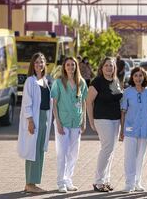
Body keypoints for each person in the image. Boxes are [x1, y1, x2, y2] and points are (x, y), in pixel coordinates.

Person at [51, 57, 88, 193]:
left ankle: (68, 180)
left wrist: (84, 121)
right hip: (63, 123)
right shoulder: (59, 83)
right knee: (62, 153)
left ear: (76, 67)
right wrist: (58, 123)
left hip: (76, 123)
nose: (71, 67)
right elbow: (54, 104)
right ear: (64, 67)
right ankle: (61, 182)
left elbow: (83, 103)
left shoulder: (81, 82)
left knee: (73, 154)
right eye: (68, 65)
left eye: (73, 65)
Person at [17, 52, 53, 193]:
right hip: (34, 119)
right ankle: (29, 184)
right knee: (32, 151)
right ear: (33, 64)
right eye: (37, 62)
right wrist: (30, 120)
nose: (39, 64)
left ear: (45, 64)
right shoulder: (30, 81)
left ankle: (34, 182)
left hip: (44, 118)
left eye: (42, 62)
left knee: (39, 151)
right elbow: (26, 102)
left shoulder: (46, 81)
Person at [86, 57, 123, 192]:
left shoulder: (116, 81)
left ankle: (106, 180)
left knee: (111, 150)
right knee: (107, 148)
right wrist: (91, 121)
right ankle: (98, 181)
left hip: (115, 119)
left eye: (111, 66)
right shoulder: (97, 82)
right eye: (106, 65)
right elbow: (89, 102)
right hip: (102, 119)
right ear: (102, 67)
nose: (109, 68)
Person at [120, 67, 147, 193]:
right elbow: (123, 111)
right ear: (132, 78)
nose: (138, 78)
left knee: (140, 157)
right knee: (129, 157)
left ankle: (137, 182)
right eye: (135, 76)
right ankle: (129, 183)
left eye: (140, 76)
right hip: (130, 128)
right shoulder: (127, 92)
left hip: (144, 128)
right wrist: (122, 130)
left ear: (144, 77)